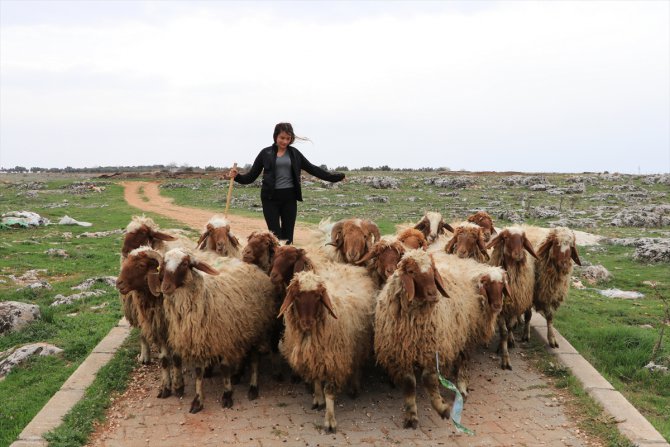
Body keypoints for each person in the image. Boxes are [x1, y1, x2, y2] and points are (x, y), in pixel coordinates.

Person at [228, 123, 345, 244]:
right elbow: (250, 177)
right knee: (275, 238)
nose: (285, 141)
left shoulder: (294, 154)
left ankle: (287, 261)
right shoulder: (265, 153)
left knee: (288, 238)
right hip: (270, 199)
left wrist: (335, 177)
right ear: (275, 137)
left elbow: (313, 169)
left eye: (288, 139)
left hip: (289, 198)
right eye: (282, 138)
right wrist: (237, 177)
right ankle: (274, 261)